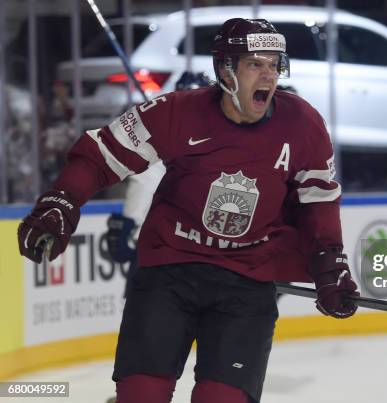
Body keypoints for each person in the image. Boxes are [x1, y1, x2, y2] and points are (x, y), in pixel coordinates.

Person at [17, 18, 359, 403]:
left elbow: (317, 200)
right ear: (225, 70)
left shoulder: (302, 123)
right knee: (141, 395)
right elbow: (101, 155)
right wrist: (61, 201)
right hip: (169, 271)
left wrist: (330, 264)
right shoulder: (177, 112)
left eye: (274, 63)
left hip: (247, 282)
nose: (268, 75)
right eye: (254, 64)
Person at [104, 71, 212, 291]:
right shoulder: (224, 141)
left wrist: (128, 225)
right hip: (189, 260)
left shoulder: (161, 139)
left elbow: (143, 188)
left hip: (168, 257)